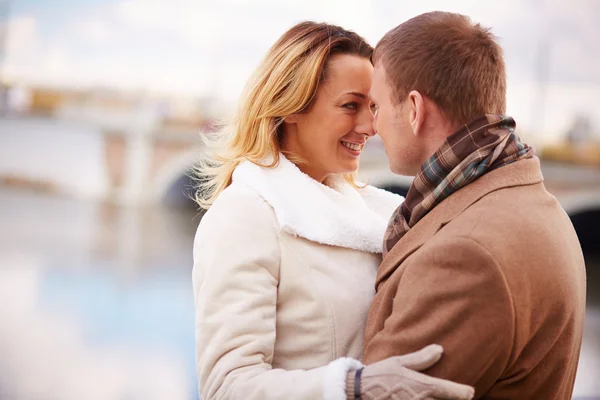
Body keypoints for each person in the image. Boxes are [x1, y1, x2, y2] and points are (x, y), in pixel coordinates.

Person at [192, 21, 474, 400]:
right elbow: (226, 386)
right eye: (350, 106)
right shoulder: (245, 216)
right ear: (290, 106)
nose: (368, 126)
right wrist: (353, 387)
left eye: (372, 107)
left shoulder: (378, 212)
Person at [345, 11, 587, 400]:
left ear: (413, 109)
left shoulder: (465, 256)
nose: (372, 126)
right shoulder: (529, 200)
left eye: (376, 106)